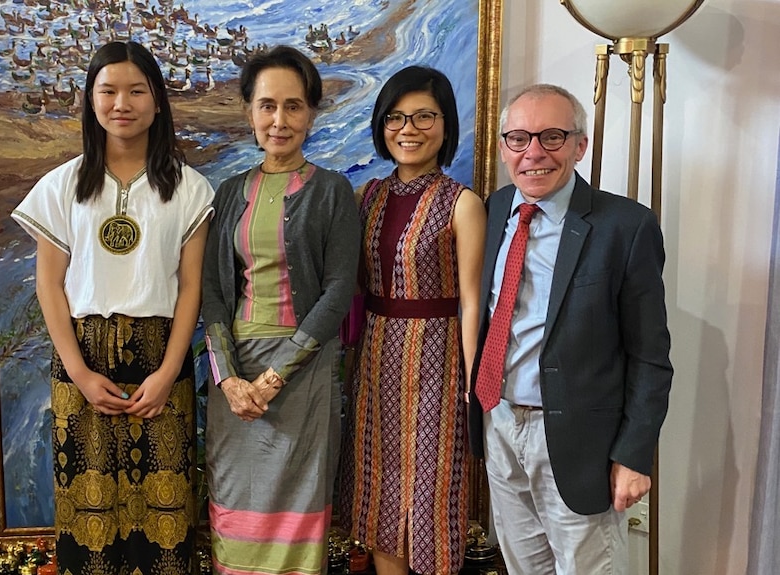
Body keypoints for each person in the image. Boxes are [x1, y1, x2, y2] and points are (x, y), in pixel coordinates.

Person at [11, 41, 215, 575]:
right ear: (91, 99)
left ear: (157, 102)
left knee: (165, 515)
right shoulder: (62, 186)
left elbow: (190, 287)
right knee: (89, 513)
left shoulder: (190, 189)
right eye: (108, 91)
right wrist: (78, 372)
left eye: (135, 90)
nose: (121, 103)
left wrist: (171, 372)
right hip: (83, 356)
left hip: (161, 356)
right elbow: (50, 286)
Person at [468, 83, 673, 574]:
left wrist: (634, 455)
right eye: (518, 138)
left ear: (580, 146)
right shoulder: (493, 210)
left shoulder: (626, 226)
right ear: (503, 148)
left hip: (580, 441)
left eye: (552, 136)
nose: (533, 152)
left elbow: (650, 355)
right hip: (499, 424)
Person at [200, 45, 361, 574]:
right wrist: (230, 379)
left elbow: (339, 290)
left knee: (299, 508)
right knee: (233, 504)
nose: (279, 119)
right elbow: (213, 293)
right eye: (267, 105)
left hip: (304, 375)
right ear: (249, 112)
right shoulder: (226, 194)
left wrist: (273, 378)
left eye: (294, 106)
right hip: (235, 379)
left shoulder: (334, 192)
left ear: (312, 112)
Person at [339, 66, 487, 575]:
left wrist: (471, 379)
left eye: (425, 116)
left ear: (446, 126)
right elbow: (353, 287)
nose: (409, 128)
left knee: (430, 495)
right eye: (397, 117)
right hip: (376, 361)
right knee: (381, 495)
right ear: (382, 125)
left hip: (438, 364)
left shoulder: (461, 203)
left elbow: (472, 300)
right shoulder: (369, 196)